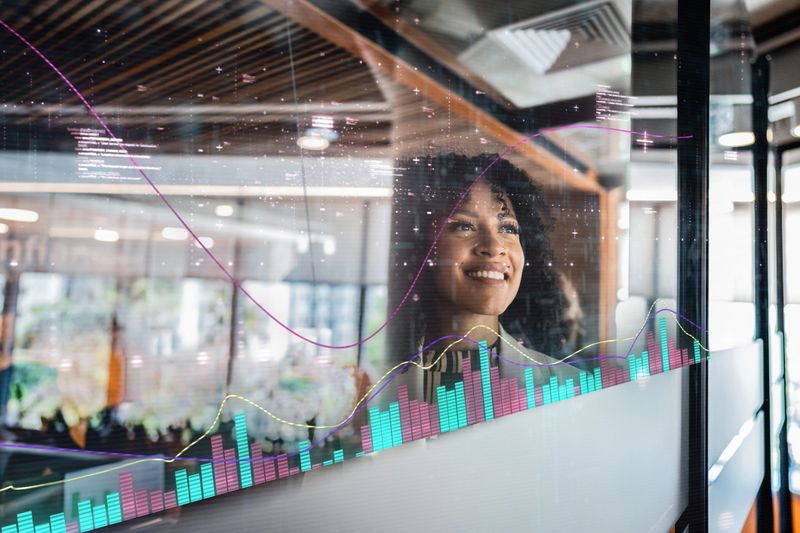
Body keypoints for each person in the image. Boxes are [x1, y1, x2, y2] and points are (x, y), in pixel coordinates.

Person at [387, 153, 581, 403]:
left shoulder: (571, 389)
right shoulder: (370, 397)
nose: (494, 246)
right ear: (419, 245)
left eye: (508, 228)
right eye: (464, 225)